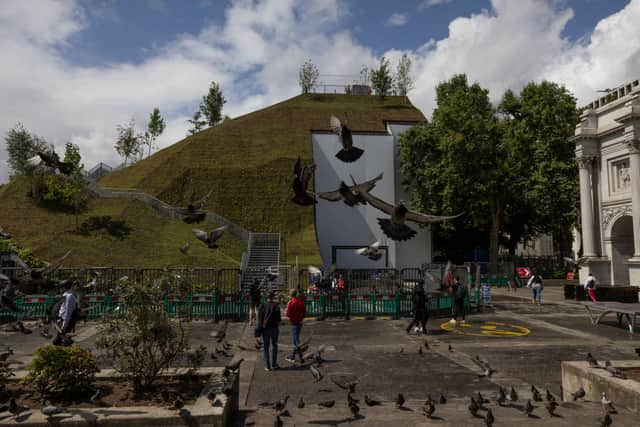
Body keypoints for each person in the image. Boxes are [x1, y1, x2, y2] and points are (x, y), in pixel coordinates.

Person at [258, 291, 281, 371]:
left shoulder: (262, 306)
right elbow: (279, 319)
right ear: (273, 297)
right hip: (274, 328)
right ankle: (274, 364)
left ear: (266, 297)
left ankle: (267, 366)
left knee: (266, 348)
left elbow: (259, 319)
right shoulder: (276, 306)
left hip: (265, 329)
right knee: (274, 346)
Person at [285, 288, 306, 364]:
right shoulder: (300, 301)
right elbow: (304, 313)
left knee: (296, 341)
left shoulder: (291, 302)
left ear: (290, 294)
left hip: (293, 322)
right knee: (295, 340)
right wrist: (300, 318)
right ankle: (293, 356)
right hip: (299, 322)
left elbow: (288, 314)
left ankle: (301, 357)